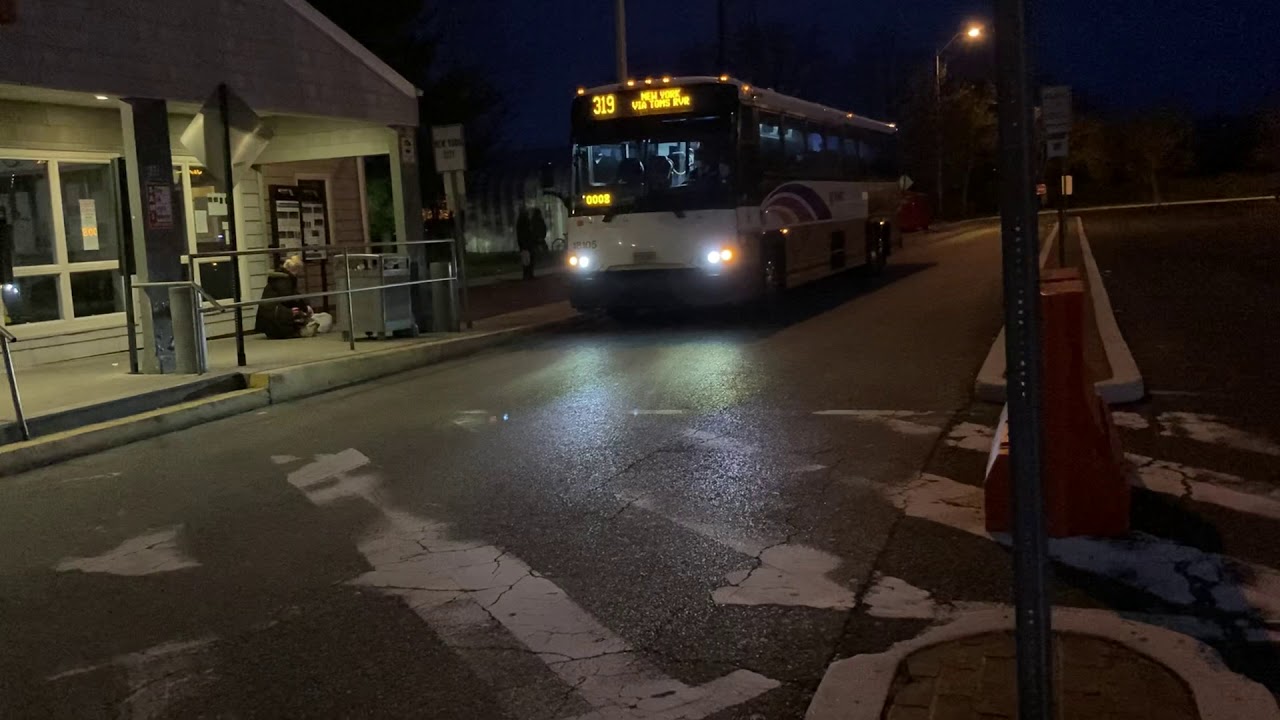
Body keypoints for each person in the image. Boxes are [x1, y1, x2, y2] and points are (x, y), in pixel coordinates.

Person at [256, 254, 331, 339]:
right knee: (321, 320)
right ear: (295, 270)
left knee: (310, 318)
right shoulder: (284, 280)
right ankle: (308, 327)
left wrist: (304, 306)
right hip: (277, 322)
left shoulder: (278, 279)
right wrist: (305, 308)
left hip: (272, 322)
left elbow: (293, 296)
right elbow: (291, 298)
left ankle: (308, 325)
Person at [515, 206, 534, 280]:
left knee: (527, 260)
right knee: (527, 260)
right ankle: (527, 274)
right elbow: (524, 233)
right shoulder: (524, 221)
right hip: (526, 244)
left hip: (525, 243)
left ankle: (527, 274)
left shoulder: (522, 221)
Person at [530, 207, 547, 274]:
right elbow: (543, 228)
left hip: (536, 238)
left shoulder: (533, 220)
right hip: (538, 238)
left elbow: (532, 230)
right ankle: (542, 261)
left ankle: (540, 262)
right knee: (542, 250)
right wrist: (541, 236)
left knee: (537, 250)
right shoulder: (539, 220)